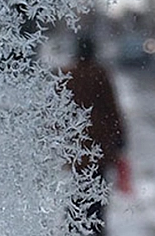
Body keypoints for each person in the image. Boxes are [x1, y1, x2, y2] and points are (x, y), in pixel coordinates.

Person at [62, 34, 127, 236]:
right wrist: (120, 139)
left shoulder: (68, 75)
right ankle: (94, 229)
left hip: (76, 148)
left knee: (78, 191)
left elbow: (59, 111)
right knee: (97, 194)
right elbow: (111, 109)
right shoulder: (100, 74)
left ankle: (75, 227)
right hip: (98, 147)